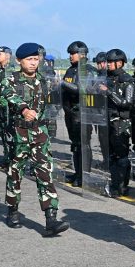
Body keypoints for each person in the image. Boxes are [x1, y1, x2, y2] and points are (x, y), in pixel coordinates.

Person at [0, 43, 70, 236]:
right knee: (15, 173)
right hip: (19, 133)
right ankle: (12, 210)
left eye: (35, 59)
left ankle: (51, 219)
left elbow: (54, 100)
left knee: (45, 173)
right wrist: (23, 108)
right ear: (19, 61)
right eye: (29, 59)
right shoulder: (10, 80)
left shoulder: (43, 80)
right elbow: (9, 95)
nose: (33, 63)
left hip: (40, 133)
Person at [103, 48, 135, 196]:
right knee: (112, 156)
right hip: (108, 121)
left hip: (121, 122)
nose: (108, 64)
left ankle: (123, 186)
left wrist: (109, 92)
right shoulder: (107, 79)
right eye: (107, 62)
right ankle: (114, 183)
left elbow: (127, 103)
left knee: (122, 156)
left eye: (111, 62)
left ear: (120, 63)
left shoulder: (127, 80)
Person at [61, 40, 92, 187]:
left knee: (83, 145)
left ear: (82, 54)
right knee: (75, 145)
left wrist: (61, 83)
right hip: (70, 113)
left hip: (82, 113)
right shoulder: (70, 70)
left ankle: (84, 175)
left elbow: (80, 89)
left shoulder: (86, 70)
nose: (70, 56)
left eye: (72, 54)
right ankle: (77, 173)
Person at [0, 46, 14, 166]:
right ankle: (6, 157)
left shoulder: (10, 70)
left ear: (7, 56)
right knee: (2, 132)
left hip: (7, 107)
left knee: (9, 133)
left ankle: (12, 159)